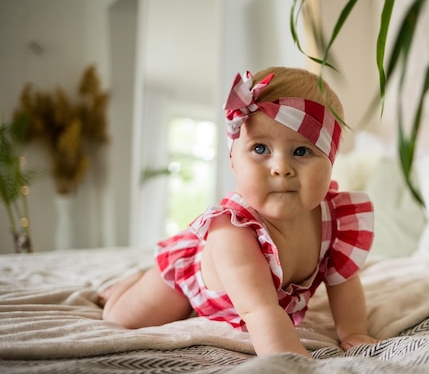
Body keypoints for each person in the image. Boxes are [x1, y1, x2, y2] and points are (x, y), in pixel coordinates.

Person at [101, 66, 378, 357]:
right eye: (260, 149)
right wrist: (294, 365)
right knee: (124, 318)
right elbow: (260, 309)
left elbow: (343, 282)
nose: (281, 168)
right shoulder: (232, 231)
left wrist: (353, 331)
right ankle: (128, 283)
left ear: (331, 161)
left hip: (246, 295)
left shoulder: (335, 220)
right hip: (189, 280)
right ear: (233, 161)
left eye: (301, 151)